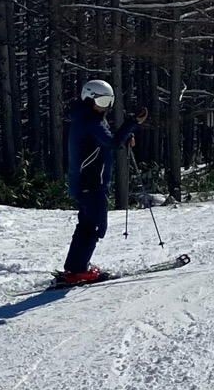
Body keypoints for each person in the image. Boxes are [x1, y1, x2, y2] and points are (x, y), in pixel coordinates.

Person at [59, 78, 149, 285]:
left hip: (87, 182)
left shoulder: (87, 117)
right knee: (95, 226)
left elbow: (106, 142)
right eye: (102, 102)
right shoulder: (90, 121)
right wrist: (132, 123)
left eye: (109, 101)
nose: (106, 107)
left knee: (88, 224)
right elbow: (111, 142)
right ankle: (76, 270)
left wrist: (124, 137)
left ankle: (76, 267)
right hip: (90, 183)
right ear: (88, 99)